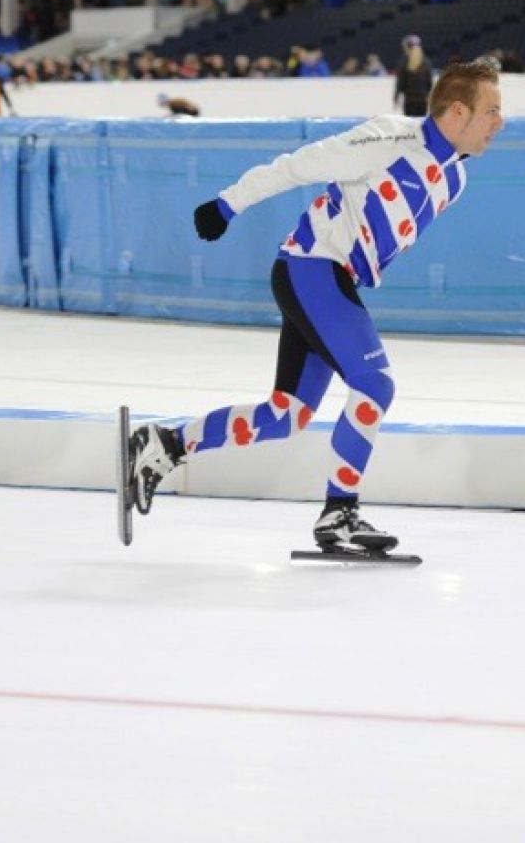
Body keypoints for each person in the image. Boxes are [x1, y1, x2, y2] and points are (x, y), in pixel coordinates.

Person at [125, 58, 505, 556]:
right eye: (492, 111)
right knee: (375, 383)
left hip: (332, 278)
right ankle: (339, 513)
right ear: (457, 112)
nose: (500, 122)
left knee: (285, 415)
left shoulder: (455, 180)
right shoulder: (389, 140)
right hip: (311, 267)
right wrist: (228, 204)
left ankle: (164, 445)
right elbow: (301, 164)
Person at [393, 35, 432, 117]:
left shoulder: (404, 62)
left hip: (409, 100)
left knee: (409, 125)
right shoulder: (426, 62)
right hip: (422, 100)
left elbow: (400, 83)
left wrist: (396, 97)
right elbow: (429, 83)